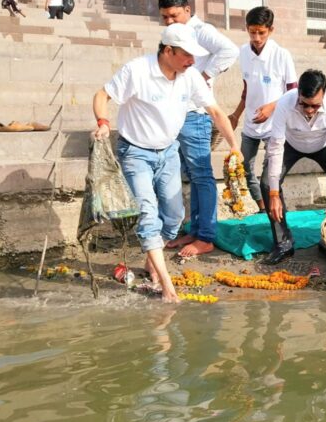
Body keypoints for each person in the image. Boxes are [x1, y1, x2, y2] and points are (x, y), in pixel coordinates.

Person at [90, 24, 237, 303]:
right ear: (167, 51)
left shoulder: (190, 76)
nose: (192, 61)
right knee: (148, 214)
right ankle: (167, 288)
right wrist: (103, 123)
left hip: (168, 152)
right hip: (136, 152)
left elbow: (215, 111)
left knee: (172, 218)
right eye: (186, 55)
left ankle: (151, 259)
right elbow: (101, 95)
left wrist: (235, 146)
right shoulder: (137, 70)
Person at [158, 0, 240, 258]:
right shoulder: (172, 37)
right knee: (193, 176)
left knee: (202, 176)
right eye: (165, 17)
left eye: (174, 15)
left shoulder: (200, 30)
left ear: (187, 11)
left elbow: (229, 50)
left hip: (196, 114)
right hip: (177, 113)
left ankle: (205, 237)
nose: (170, 21)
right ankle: (195, 229)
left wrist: (206, 73)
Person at [261, 69, 326, 265]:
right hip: (290, 145)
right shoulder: (285, 102)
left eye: (315, 106)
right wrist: (274, 194)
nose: (309, 110)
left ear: (324, 95)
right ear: (298, 93)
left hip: (323, 145)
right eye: (304, 104)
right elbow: (275, 146)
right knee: (267, 184)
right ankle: (283, 242)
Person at [229, 6, 298, 213]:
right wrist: (236, 114)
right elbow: (247, 88)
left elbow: (293, 92)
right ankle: (263, 207)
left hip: (274, 126)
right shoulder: (243, 52)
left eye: (261, 32)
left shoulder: (281, 55)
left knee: (271, 175)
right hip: (251, 124)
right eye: (252, 32)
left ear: (271, 30)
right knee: (245, 169)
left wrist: (271, 107)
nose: (256, 37)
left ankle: (276, 210)